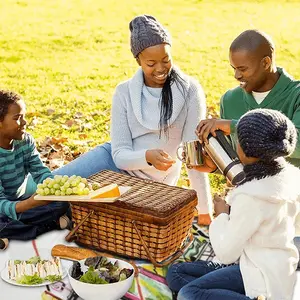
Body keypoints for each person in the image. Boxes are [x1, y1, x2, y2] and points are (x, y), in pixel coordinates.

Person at [53, 15, 213, 225]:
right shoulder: (125, 92)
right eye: (151, 63)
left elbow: (193, 156)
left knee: (83, 212)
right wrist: (147, 156)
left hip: (149, 186)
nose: (160, 69)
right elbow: (119, 155)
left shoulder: (190, 91)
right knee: (49, 189)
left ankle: (64, 217)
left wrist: (204, 211)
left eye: (166, 60)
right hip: (112, 163)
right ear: (138, 60)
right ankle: (12, 213)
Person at [167, 108, 300, 300]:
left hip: (261, 279)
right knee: (177, 273)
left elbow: (225, 253)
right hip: (273, 267)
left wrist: (222, 215)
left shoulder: (251, 197)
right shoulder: (291, 177)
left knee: (188, 293)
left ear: (244, 150)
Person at [196, 29, 300, 168]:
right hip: (248, 188)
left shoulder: (296, 95)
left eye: (243, 69)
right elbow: (237, 161)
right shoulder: (230, 100)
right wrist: (213, 166)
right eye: (234, 68)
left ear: (266, 63)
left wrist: (234, 126)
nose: (237, 75)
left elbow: (297, 144)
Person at [0, 90, 70, 249]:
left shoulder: (25, 141)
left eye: (24, 116)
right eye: (17, 118)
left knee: (62, 204)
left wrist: (55, 190)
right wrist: (30, 204)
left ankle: (11, 233)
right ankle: (48, 226)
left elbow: (40, 171)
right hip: (4, 207)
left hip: (20, 202)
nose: (24, 122)